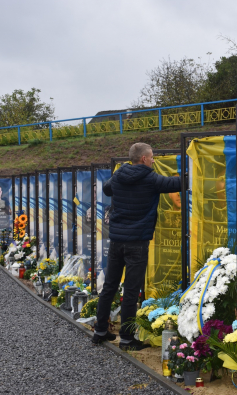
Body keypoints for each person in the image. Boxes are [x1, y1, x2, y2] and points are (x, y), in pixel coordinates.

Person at [92, 142, 181, 350]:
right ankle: (127, 338)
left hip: (116, 241)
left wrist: (118, 176)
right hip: (137, 243)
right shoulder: (150, 178)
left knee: (109, 287)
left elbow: (106, 189)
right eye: (152, 157)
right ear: (143, 159)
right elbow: (174, 185)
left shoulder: (119, 174)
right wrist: (192, 172)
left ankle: (100, 331)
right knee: (131, 291)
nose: (153, 160)